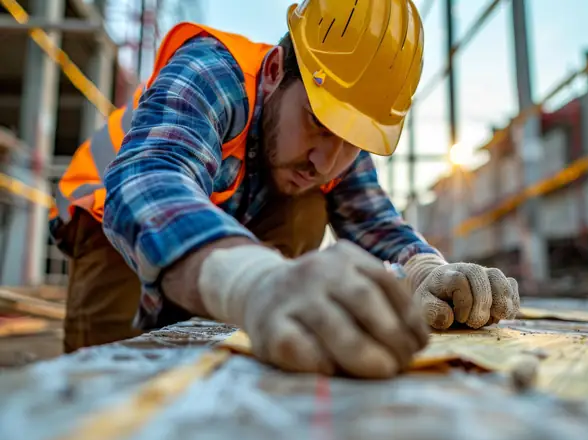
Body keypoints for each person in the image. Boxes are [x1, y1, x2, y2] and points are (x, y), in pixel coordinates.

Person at [49, 0, 520, 378]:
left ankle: (238, 326)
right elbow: (149, 180)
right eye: (317, 122)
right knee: (106, 378)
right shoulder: (213, 72)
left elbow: (373, 221)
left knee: (307, 205)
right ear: (275, 69)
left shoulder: (333, 146)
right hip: (110, 222)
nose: (325, 161)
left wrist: (426, 271)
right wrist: (253, 282)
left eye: (351, 142)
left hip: (218, 235)